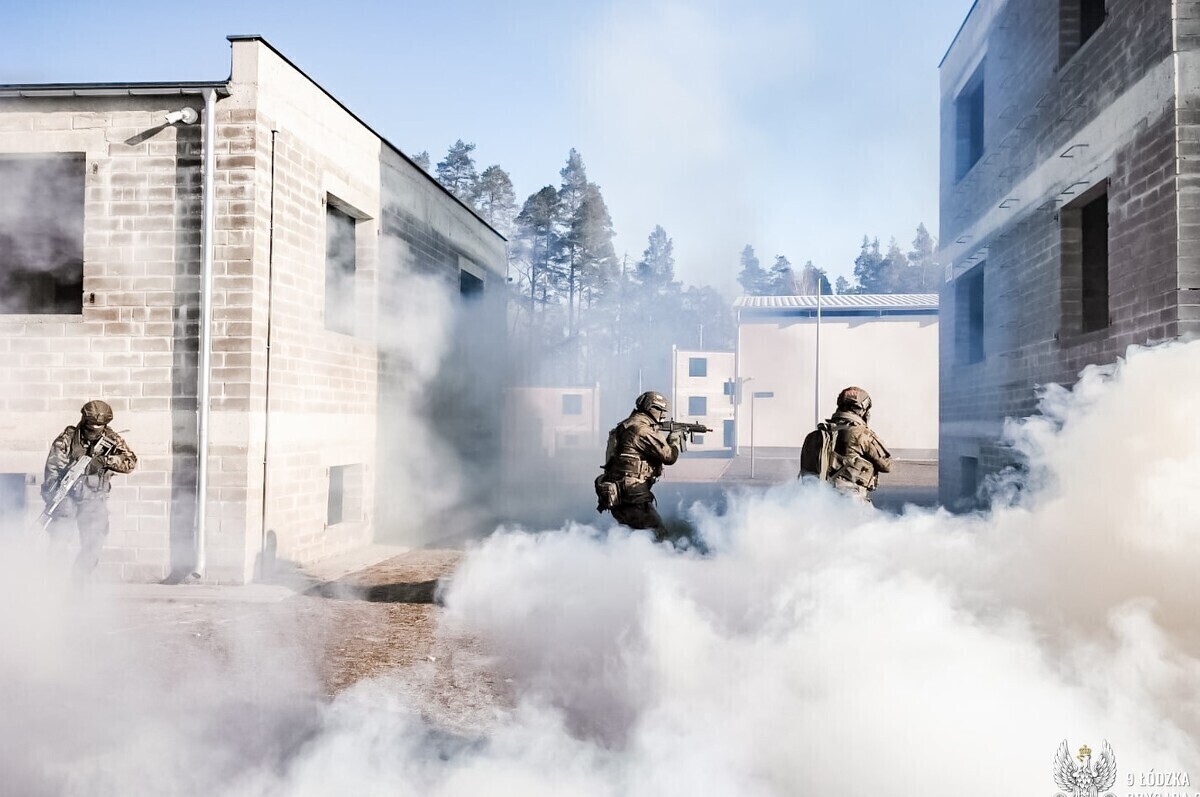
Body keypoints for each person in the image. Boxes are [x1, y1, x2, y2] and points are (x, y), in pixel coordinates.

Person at [42, 400, 137, 576]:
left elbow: (130, 463)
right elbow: (52, 472)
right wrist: (54, 499)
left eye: (99, 425)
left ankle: (78, 586)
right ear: (84, 420)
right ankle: (52, 588)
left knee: (92, 549)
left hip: (94, 500)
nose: (95, 428)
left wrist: (104, 461)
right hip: (67, 499)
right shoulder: (67, 439)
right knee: (58, 545)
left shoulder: (112, 439)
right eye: (91, 424)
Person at [595, 391, 686, 541]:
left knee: (630, 535)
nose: (663, 416)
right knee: (657, 534)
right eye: (662, 412)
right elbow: (669, 456)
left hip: (616, 492)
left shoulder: (625, 426)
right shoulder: (642, 430)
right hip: (633, 494)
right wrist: (674, 440)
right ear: (652, 409)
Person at [822, 386, 893, 501]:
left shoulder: (824, 431)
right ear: (862, 410)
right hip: (850, 499)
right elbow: (886, 465)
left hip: (819, 497)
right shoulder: (861, 433)